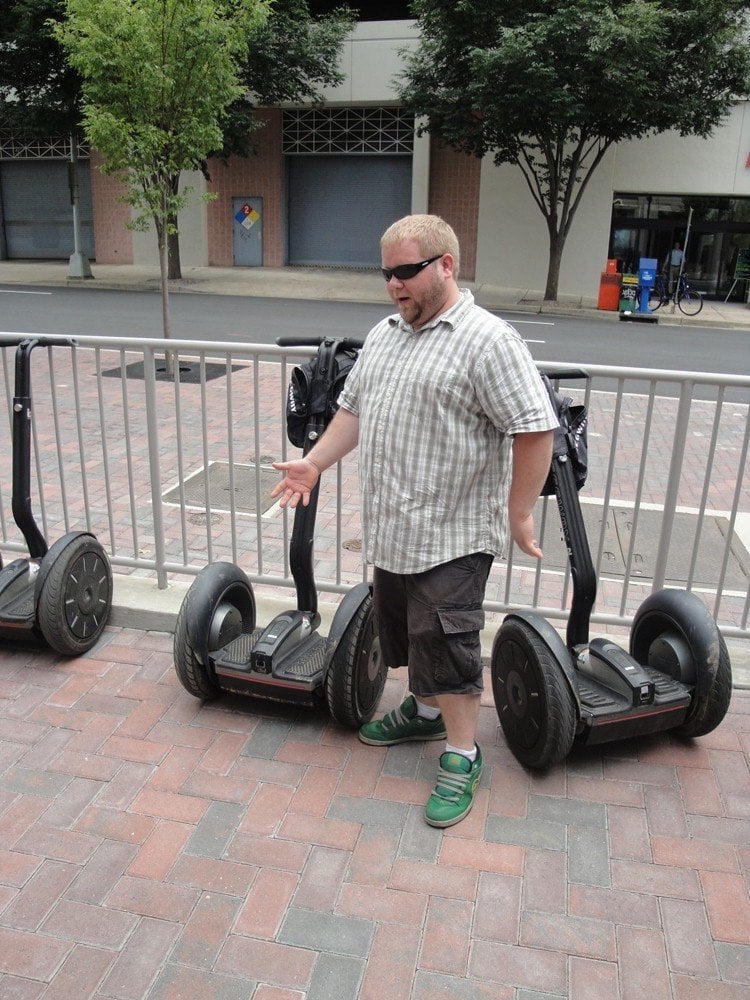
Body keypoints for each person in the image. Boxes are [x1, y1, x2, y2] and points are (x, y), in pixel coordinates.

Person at [272, 214, 558, 828]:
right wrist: (314, 463)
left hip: (454, 533)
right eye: (386, 274)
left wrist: (519, 510)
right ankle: (424, 716)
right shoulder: (385, 334)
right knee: (406, 635)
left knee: (448, 643)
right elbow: (354, 411)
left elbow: (535, 427)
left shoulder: (488, 340)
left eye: (406, 271)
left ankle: (462, 752)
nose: (394, 285)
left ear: (445, 265)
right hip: (395, 529)